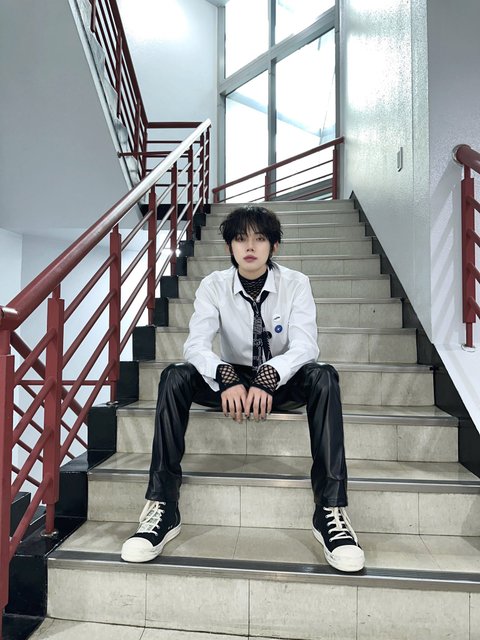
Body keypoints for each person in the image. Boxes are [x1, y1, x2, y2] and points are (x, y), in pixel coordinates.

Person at [121, 205, 365, 573]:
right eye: (240, 239)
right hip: (230, 381)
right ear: (229, 247)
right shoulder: (213, 285)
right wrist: (224, 374)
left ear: (274, 246)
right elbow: (195, 345)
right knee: (174, 375)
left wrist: (270, 374)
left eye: (259, 238)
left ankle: (329, 509)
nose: (249, 246)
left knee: (324, 375)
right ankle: (164, 506)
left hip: (280, 380)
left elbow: (306, 346)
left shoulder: (296, 283)